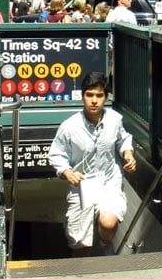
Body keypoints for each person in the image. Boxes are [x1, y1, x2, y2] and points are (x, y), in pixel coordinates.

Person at [48, 72, 137, 256]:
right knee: (80, 246)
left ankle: (103, 244)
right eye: (89, 95)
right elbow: (56, 155)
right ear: (82, 96)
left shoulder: (115, 119)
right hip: (82, 187)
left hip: (108, 182)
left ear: (105, 97)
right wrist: (67, 172)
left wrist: (128, 154)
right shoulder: (69, 126)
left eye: (99, 95)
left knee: (108, 223)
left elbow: (123, 139)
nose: (94, 101)